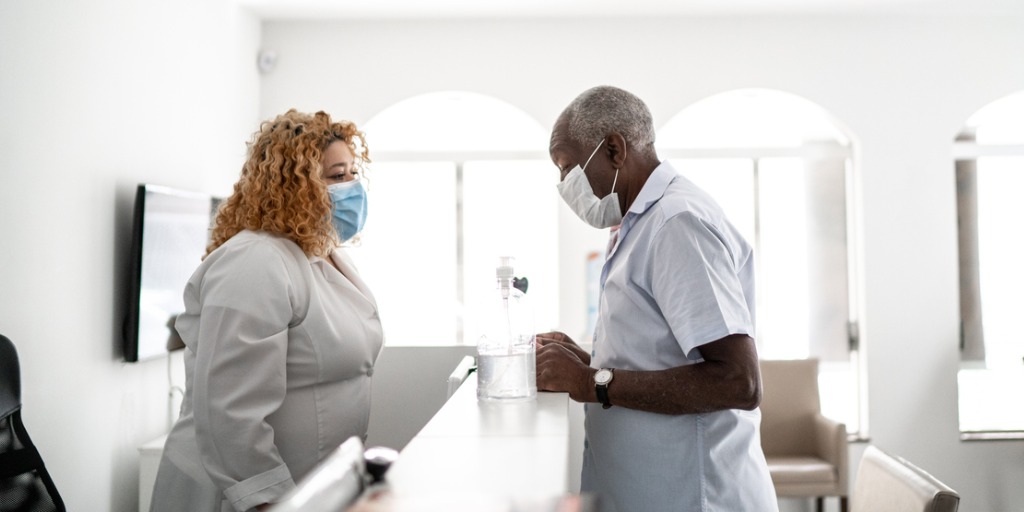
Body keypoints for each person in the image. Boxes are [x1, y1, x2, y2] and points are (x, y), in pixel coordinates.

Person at [535, 86, 779, 511]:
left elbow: (739, 381)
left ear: (614, 149)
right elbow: (657, 351)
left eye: (568, 168)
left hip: (696, 496)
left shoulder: (675, 223)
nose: (563, 186)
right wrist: (586, 359)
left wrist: (589, 382)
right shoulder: (639, 225)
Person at [150, 110, 384, 512]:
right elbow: (230, 412)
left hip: (313, 486)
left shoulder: (322, 254)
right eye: (335, 176)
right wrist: (268, 501)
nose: (351, 188)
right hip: (246, 495)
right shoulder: (255, 261)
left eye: (351, 174)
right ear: (292, 184)